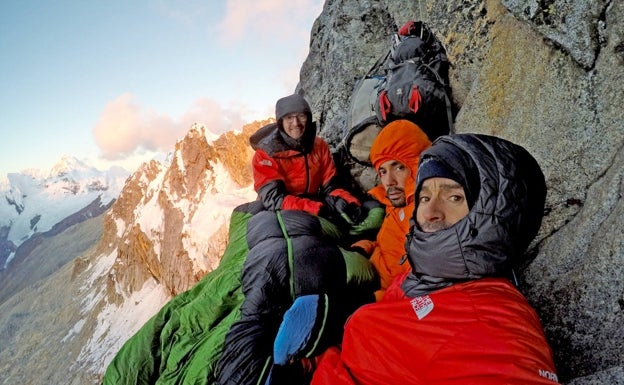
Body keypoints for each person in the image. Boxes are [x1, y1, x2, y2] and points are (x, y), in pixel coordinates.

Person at [310, 133, 560, 385]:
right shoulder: (428, 274)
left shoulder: (487, 322)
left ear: (492, 213)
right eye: (425, 197)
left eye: (454, 198)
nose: (429, 213)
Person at [249, 93, 363, 225]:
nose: (296, 123)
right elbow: (274, 199)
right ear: (281, 122)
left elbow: (331, 185)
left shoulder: (319, 146)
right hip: (280, 210)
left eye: (301, 116)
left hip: (313, 204)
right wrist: (316, 209)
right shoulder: (266, 154)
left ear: (308, 118)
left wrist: (347, 201)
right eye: (289, 118)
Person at [350, 119, 432, 301]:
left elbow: (420, 286)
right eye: (383, 172)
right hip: (372, 276)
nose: (389, 182)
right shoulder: (394, 206)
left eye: (399, 167)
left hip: (387, 300)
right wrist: (365, 248)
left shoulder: (428, 213)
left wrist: (374, 300)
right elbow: (387, 245)